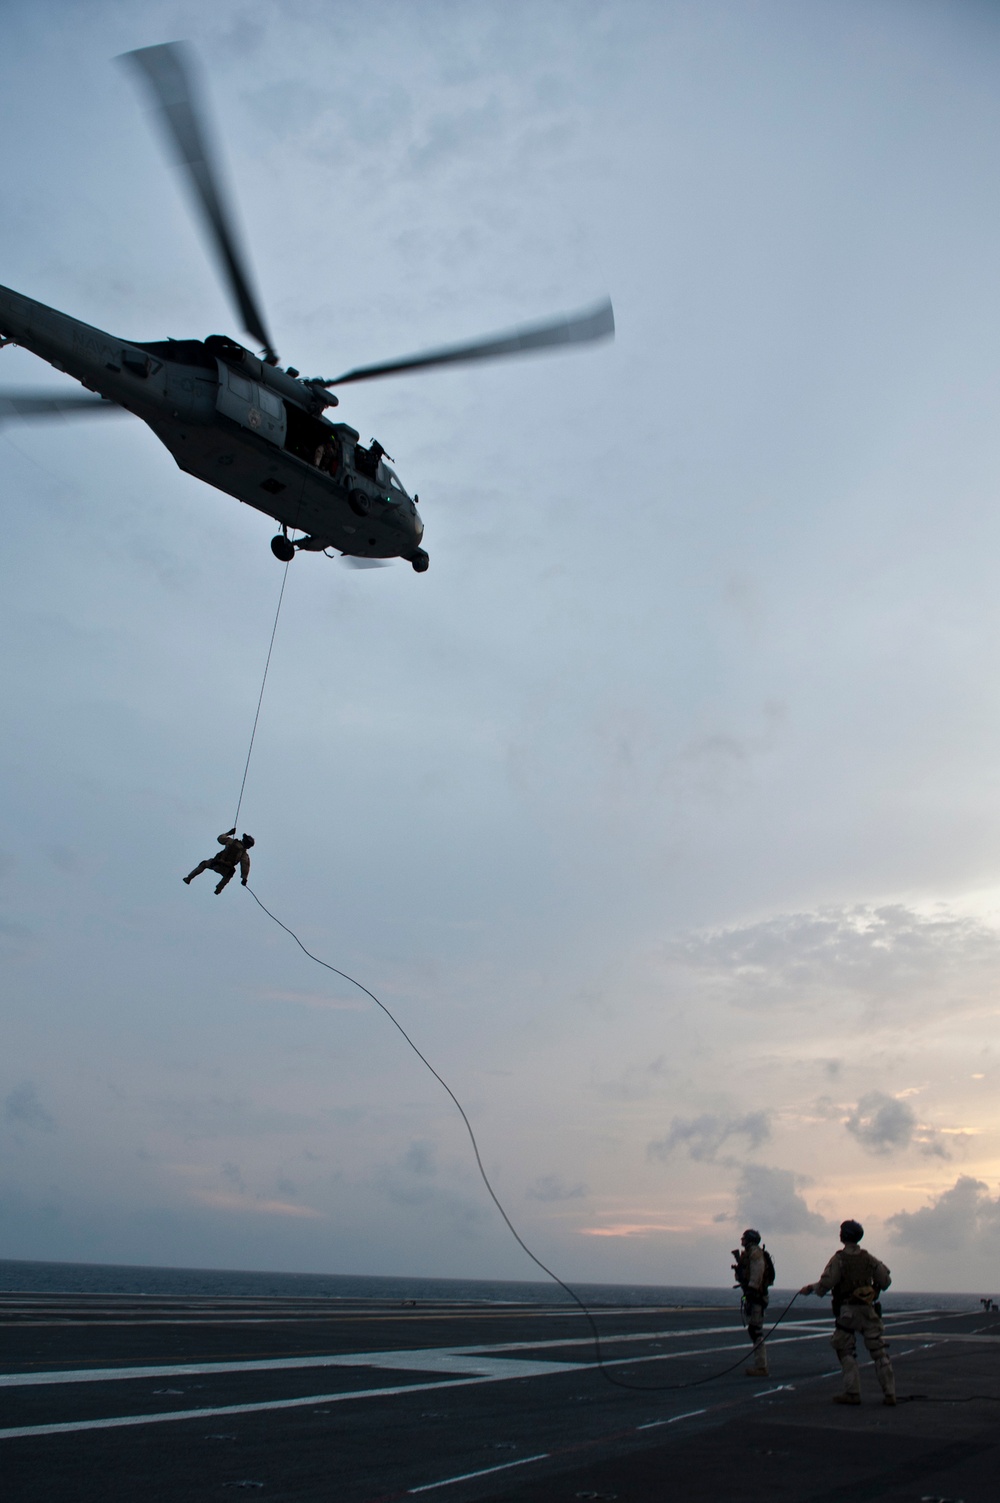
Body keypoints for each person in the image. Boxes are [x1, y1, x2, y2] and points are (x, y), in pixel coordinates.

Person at [800, 1219, 896, 1406]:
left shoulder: (839, 1259)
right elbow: (885, 1281)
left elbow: (826, 1284)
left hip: (848, 1313)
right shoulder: (869, 1258)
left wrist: (810, 1288)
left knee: (844, 1348)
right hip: (869, 1311)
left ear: (844, 1236)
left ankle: (852, 1392)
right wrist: (871, 1290)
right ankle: (890, 1393)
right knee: (878, 1351)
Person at [732, 1228, 774, 1376]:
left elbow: (757, 1273)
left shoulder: (755, 1254)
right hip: (753, 1295)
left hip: (756, 1296)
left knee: (756, 1331)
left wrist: (751, 1288)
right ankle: (760, 1365)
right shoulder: (749, 1254)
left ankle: (761, 1366)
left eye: (744, 1238)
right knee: (754, 1330)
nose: (742, 1240)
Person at [184, 828, 254, 894]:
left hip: (216, 863)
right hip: (226, 869)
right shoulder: (244, 854)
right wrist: (244, 878)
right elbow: (245, 866)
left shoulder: (231, 841)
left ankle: (189, 878)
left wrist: (229, 833)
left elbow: (220, 839)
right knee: (229, 875)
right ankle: (218, 889)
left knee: (204, 864)